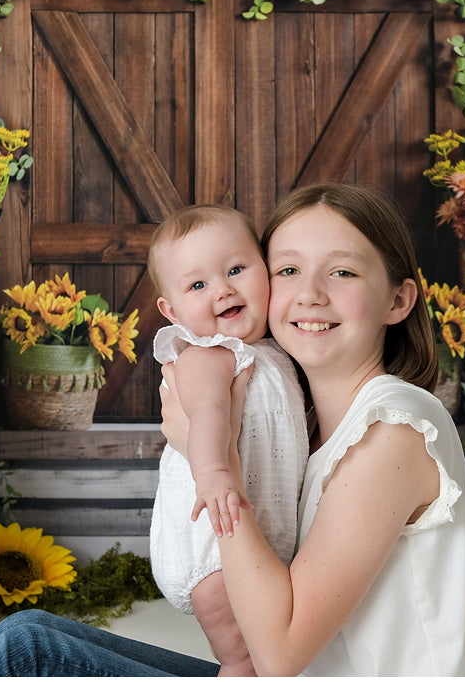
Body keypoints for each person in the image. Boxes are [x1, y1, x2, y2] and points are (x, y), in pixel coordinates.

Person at [0, 183, 465, 677]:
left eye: (342, 271)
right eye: (289, 269)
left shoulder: (393, 427)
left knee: (28, 656)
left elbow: (280, 655)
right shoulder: (313, 432)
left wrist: (207, 457)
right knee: (29, 633)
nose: (310, 293)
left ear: (398, 300)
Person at [146, 204, 308, 676]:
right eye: (198, 285)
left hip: (252, 543)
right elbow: (208, 414)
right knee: (245, 660)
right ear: (172, 311)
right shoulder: (208, 352)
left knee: (270, 654)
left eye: (236, 269)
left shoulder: (274, 352)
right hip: (213, 543)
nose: (223, 289)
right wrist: (214, 474)